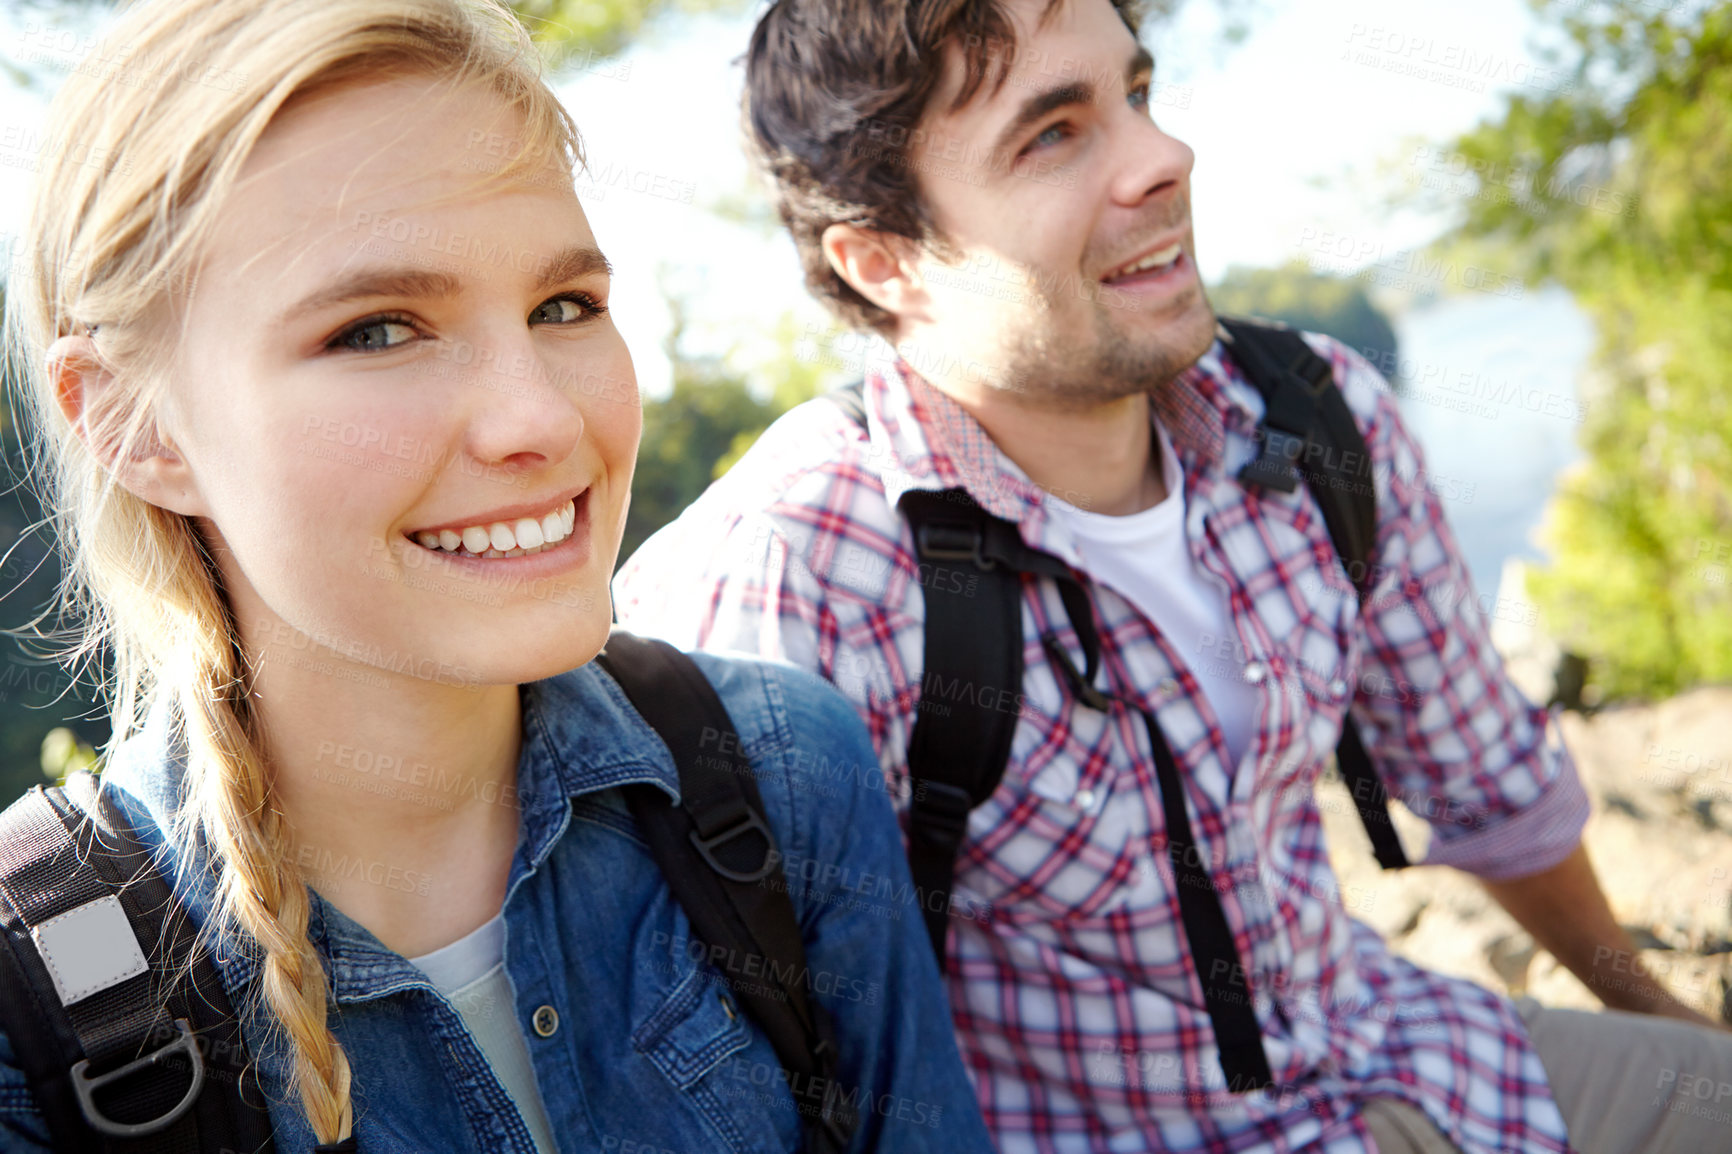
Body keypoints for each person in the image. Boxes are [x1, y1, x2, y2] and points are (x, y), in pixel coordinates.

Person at [611, 0, 1732, 1151]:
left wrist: (1668, 1019)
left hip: (1406, 1047)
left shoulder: (1314, 420)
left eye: (1135, 95)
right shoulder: (800, 572)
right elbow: (740, 1061)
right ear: (885, 259)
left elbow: (1481, 781)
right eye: (1052, 133)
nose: (1163, 157)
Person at [0, 1, 996, 1151]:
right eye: (378, 329)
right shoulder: (41, 999)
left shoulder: (781, 775)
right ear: (131, 422)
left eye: (563, 305)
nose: (538, 415)